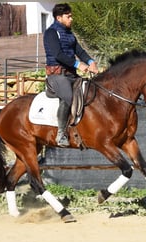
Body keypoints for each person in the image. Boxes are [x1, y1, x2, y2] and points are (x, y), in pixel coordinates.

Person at [43, 3, 98, 147]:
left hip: (71, 75)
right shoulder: (51, 33)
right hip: (57, 75)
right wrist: (78, 64)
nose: (71, 19)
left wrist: (90, 62)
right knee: (68, 97)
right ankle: (61, 134)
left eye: (71, 16)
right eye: (69, 16)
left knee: (89, 92)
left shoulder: (69, 34)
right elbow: (58, 54)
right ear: (59, 17)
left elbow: (79, 51)